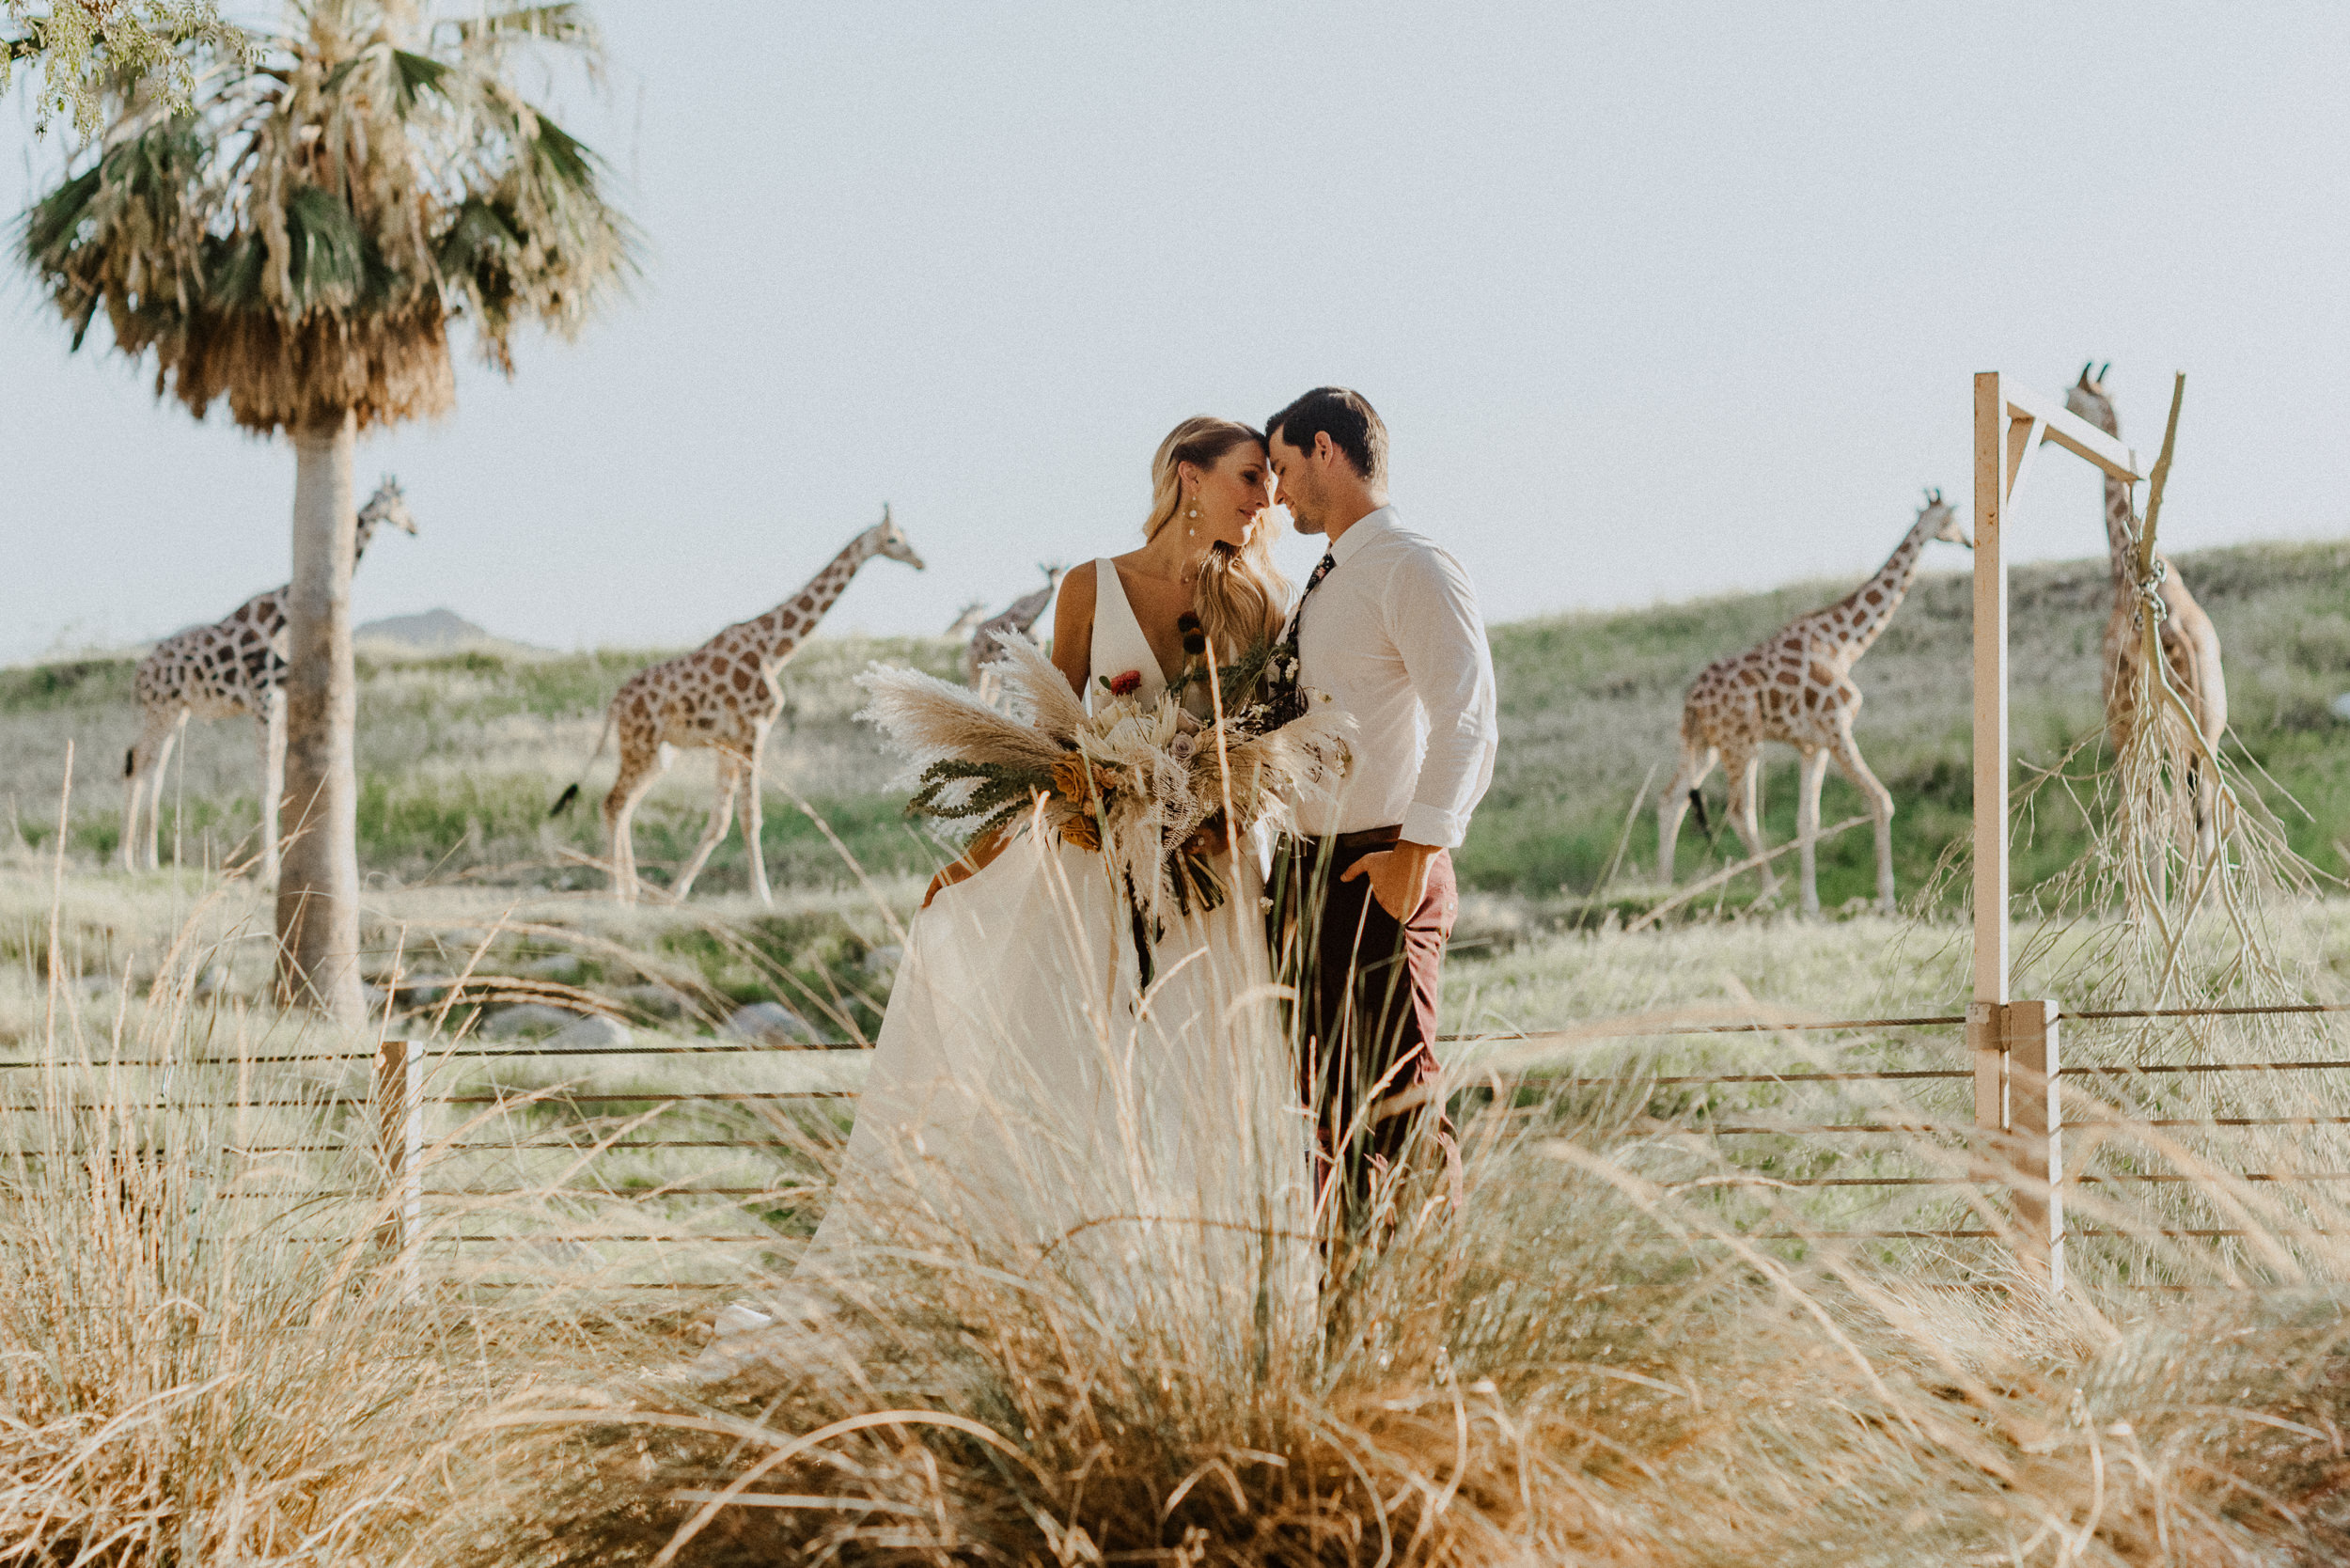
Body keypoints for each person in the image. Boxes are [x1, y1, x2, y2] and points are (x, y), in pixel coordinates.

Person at [792, 416, 1314, 1349]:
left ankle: (1200, 1313)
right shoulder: (1091, 585)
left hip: (1205, 883)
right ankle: (1057, 1306)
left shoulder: (1258, 603)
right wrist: (979, 861)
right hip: (1088, 871)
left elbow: (1259, 755)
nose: (1265, 497)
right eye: (1248, 475)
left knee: (1200, 1079)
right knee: (1075, 1069)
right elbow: (1042, 748)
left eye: (1271, 481)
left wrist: (1210, 814)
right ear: (1187, 476)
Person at [1261, 386, 1498, 1232]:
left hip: (1379, 866)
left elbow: (1466, 715)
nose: (1277, 492)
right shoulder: (1329, 578)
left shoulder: (1410, 564)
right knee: (1325, 1116)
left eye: (1284, 468)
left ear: (1327, 449)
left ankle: (1420, 1323)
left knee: (1397, 1110)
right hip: (1308, 875)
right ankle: (1346, 1321)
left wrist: (1416, 856)